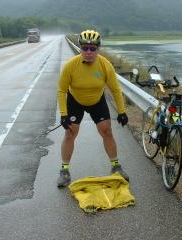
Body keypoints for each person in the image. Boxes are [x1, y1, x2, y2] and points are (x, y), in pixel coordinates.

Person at [56, 29, 129, 188]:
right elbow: (61, 90)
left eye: (93, 49)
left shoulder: (105, 65)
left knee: (106, 131)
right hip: (75, 101)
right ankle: (64, 170)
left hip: (97, 100)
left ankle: (116, 166)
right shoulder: (71, 65)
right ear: (80, 48)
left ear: (98, 49)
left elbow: (115, 89)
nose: (89, 52)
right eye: (85, 48)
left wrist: (122, 111)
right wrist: (63, 115)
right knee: (70, 133)